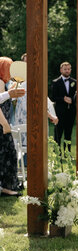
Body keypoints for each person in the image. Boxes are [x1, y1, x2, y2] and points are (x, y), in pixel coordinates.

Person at [0, 57, 25, 194]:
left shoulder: (4, 83)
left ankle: (6, 187)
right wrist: (5, 125)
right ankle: (8, 188)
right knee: (8, 155)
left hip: (3, 123)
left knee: (6, 156)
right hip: (2, 125)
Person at [51, 62, 76, 150]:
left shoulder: (74, 82)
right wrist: (63, 99)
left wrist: (72, 100)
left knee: (68, 133)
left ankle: (67, 152)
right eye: (65, 69)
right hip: (59, 112)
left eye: (69, 69)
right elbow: (53, 97)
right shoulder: (56, 82)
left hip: (71, 112)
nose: (67, 71)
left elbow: (77, 96)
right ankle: (57, 152)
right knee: (58, 132)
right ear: (61, 70)